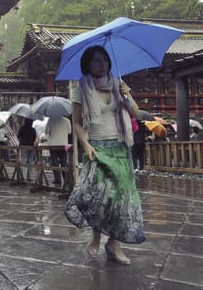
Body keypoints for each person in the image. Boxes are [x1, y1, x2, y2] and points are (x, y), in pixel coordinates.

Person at [65, 45, 145, 265]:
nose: (102, 65)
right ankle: (96, 237)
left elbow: (135, 113)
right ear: (88, 65)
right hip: (97, 148)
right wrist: (86, 144)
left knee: (122, 198)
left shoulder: (118, 86)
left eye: (104, 60)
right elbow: (77, 123)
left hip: (120, 147)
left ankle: (114, 244)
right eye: (96, 61)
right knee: (99, 197)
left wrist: (127, 94)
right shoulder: (82, 89)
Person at [45, 116, 71, 185]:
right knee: (64, 161)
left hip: (53, 145)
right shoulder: (67, 120)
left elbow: (46, 131)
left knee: (55, 162)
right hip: (64, 144)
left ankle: (58, 179)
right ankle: (66, 179)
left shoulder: (51, 120)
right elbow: (69, 132)